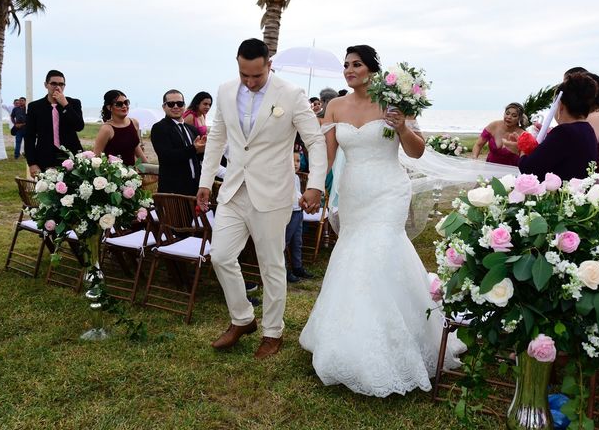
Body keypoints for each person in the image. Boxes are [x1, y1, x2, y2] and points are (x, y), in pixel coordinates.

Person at [299, 44, 465, 396]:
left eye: (356, 64)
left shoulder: (393, 102)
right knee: (354, 254)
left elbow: (417, 151)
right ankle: (347, 339)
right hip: (354, 192)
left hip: (389, 191)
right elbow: (327, 156)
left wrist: (403, 127)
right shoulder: (335, 106)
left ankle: (397, 343)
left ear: (373, 70)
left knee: (378, 253)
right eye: (346, 65)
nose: (349, 70)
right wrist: (316, 188)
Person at [196, 38, 327, 359]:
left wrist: (316, 185)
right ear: (238, 66)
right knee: (220, 256)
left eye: (257, 76)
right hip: (233, 191)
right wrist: (205, 179)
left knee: (271, 265)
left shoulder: (292, 94)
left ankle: (273, 332)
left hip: (273, 193)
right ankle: (242, 318)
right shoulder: (226, 91)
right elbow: (217, 137)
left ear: (269, 65)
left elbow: (315, 141)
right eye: (245, 75)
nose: (250, 82)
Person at [504, 73, 598, 181]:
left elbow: (529, 168)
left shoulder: (564, 132)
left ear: (560, 105)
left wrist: (522, 149)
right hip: (577, 194)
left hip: (560, 195)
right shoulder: (588, 130)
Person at [25, 70, 84, 175]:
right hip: (44, 159)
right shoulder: (35, 107)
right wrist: (32, 163)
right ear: (46, 85)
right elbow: (29, 137)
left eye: (61, 84)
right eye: (53, 84)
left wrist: (65, 105)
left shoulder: (74, 103)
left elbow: (79, 126)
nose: (58, 87)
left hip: (71, 158)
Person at [151, 89, 205, 195]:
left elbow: (197, 158)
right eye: (171, 104)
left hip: (195, 187)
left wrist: (203, 149)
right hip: (173, 190)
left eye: (179, 103)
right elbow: (167, 156)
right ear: (164, 107)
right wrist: (194, 148)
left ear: (184, 106)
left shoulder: (192, 129)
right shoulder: (159, 128)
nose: (176, 107)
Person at [93, 90, 148, 166]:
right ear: (109, 107)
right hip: (114, 175)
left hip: (133, 173)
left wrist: (148, 167)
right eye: (119, 104)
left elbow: (136, 147)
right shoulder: (106, 129)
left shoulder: (134, 123)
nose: (124, 106)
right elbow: (96, 157)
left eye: (126, 102)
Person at [285, 151, 312, 283]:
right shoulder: (284, 176)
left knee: (297, 241)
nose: (296, 164)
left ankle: (297, 266)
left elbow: (297, 193)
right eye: (293, 160)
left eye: (298, 161)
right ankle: (284, 270)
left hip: (298, 211)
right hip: (289, 211)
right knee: (285, 241)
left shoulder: (296, 177)